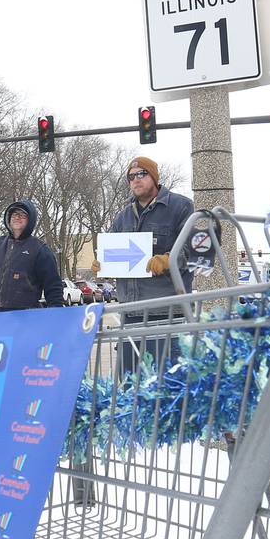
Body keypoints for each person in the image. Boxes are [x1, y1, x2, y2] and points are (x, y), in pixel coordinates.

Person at [93, 156, 194, 375]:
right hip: (131, 313)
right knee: (130, 383)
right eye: (131, 177)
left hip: (167, 312)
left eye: (142, 174)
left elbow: (192, 249)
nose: (136, 180)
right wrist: (103, 263)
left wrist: (169, 259)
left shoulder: (180, 207)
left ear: (155, 178)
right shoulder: (123, 217)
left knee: (170, 386)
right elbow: (112, 254)